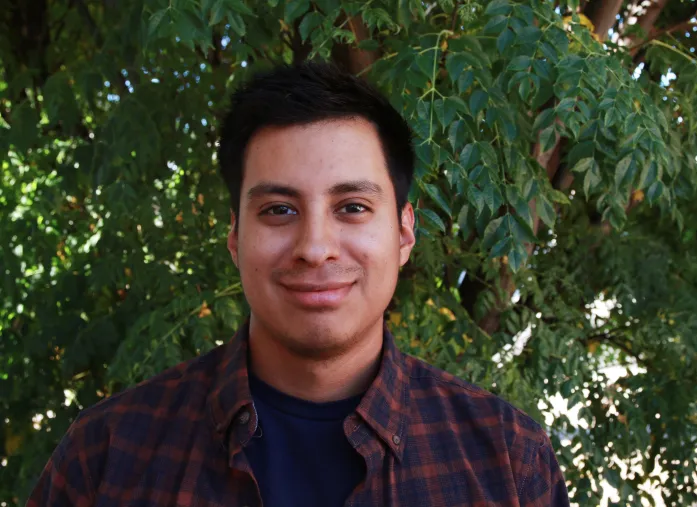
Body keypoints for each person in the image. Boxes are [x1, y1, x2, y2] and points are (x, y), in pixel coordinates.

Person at [27, 61, 569, 507]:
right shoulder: (106, 456)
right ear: (236, 238)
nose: (315, 247)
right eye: (279, 209)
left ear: (404, 233)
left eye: (353, 207)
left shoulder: (508, 461)